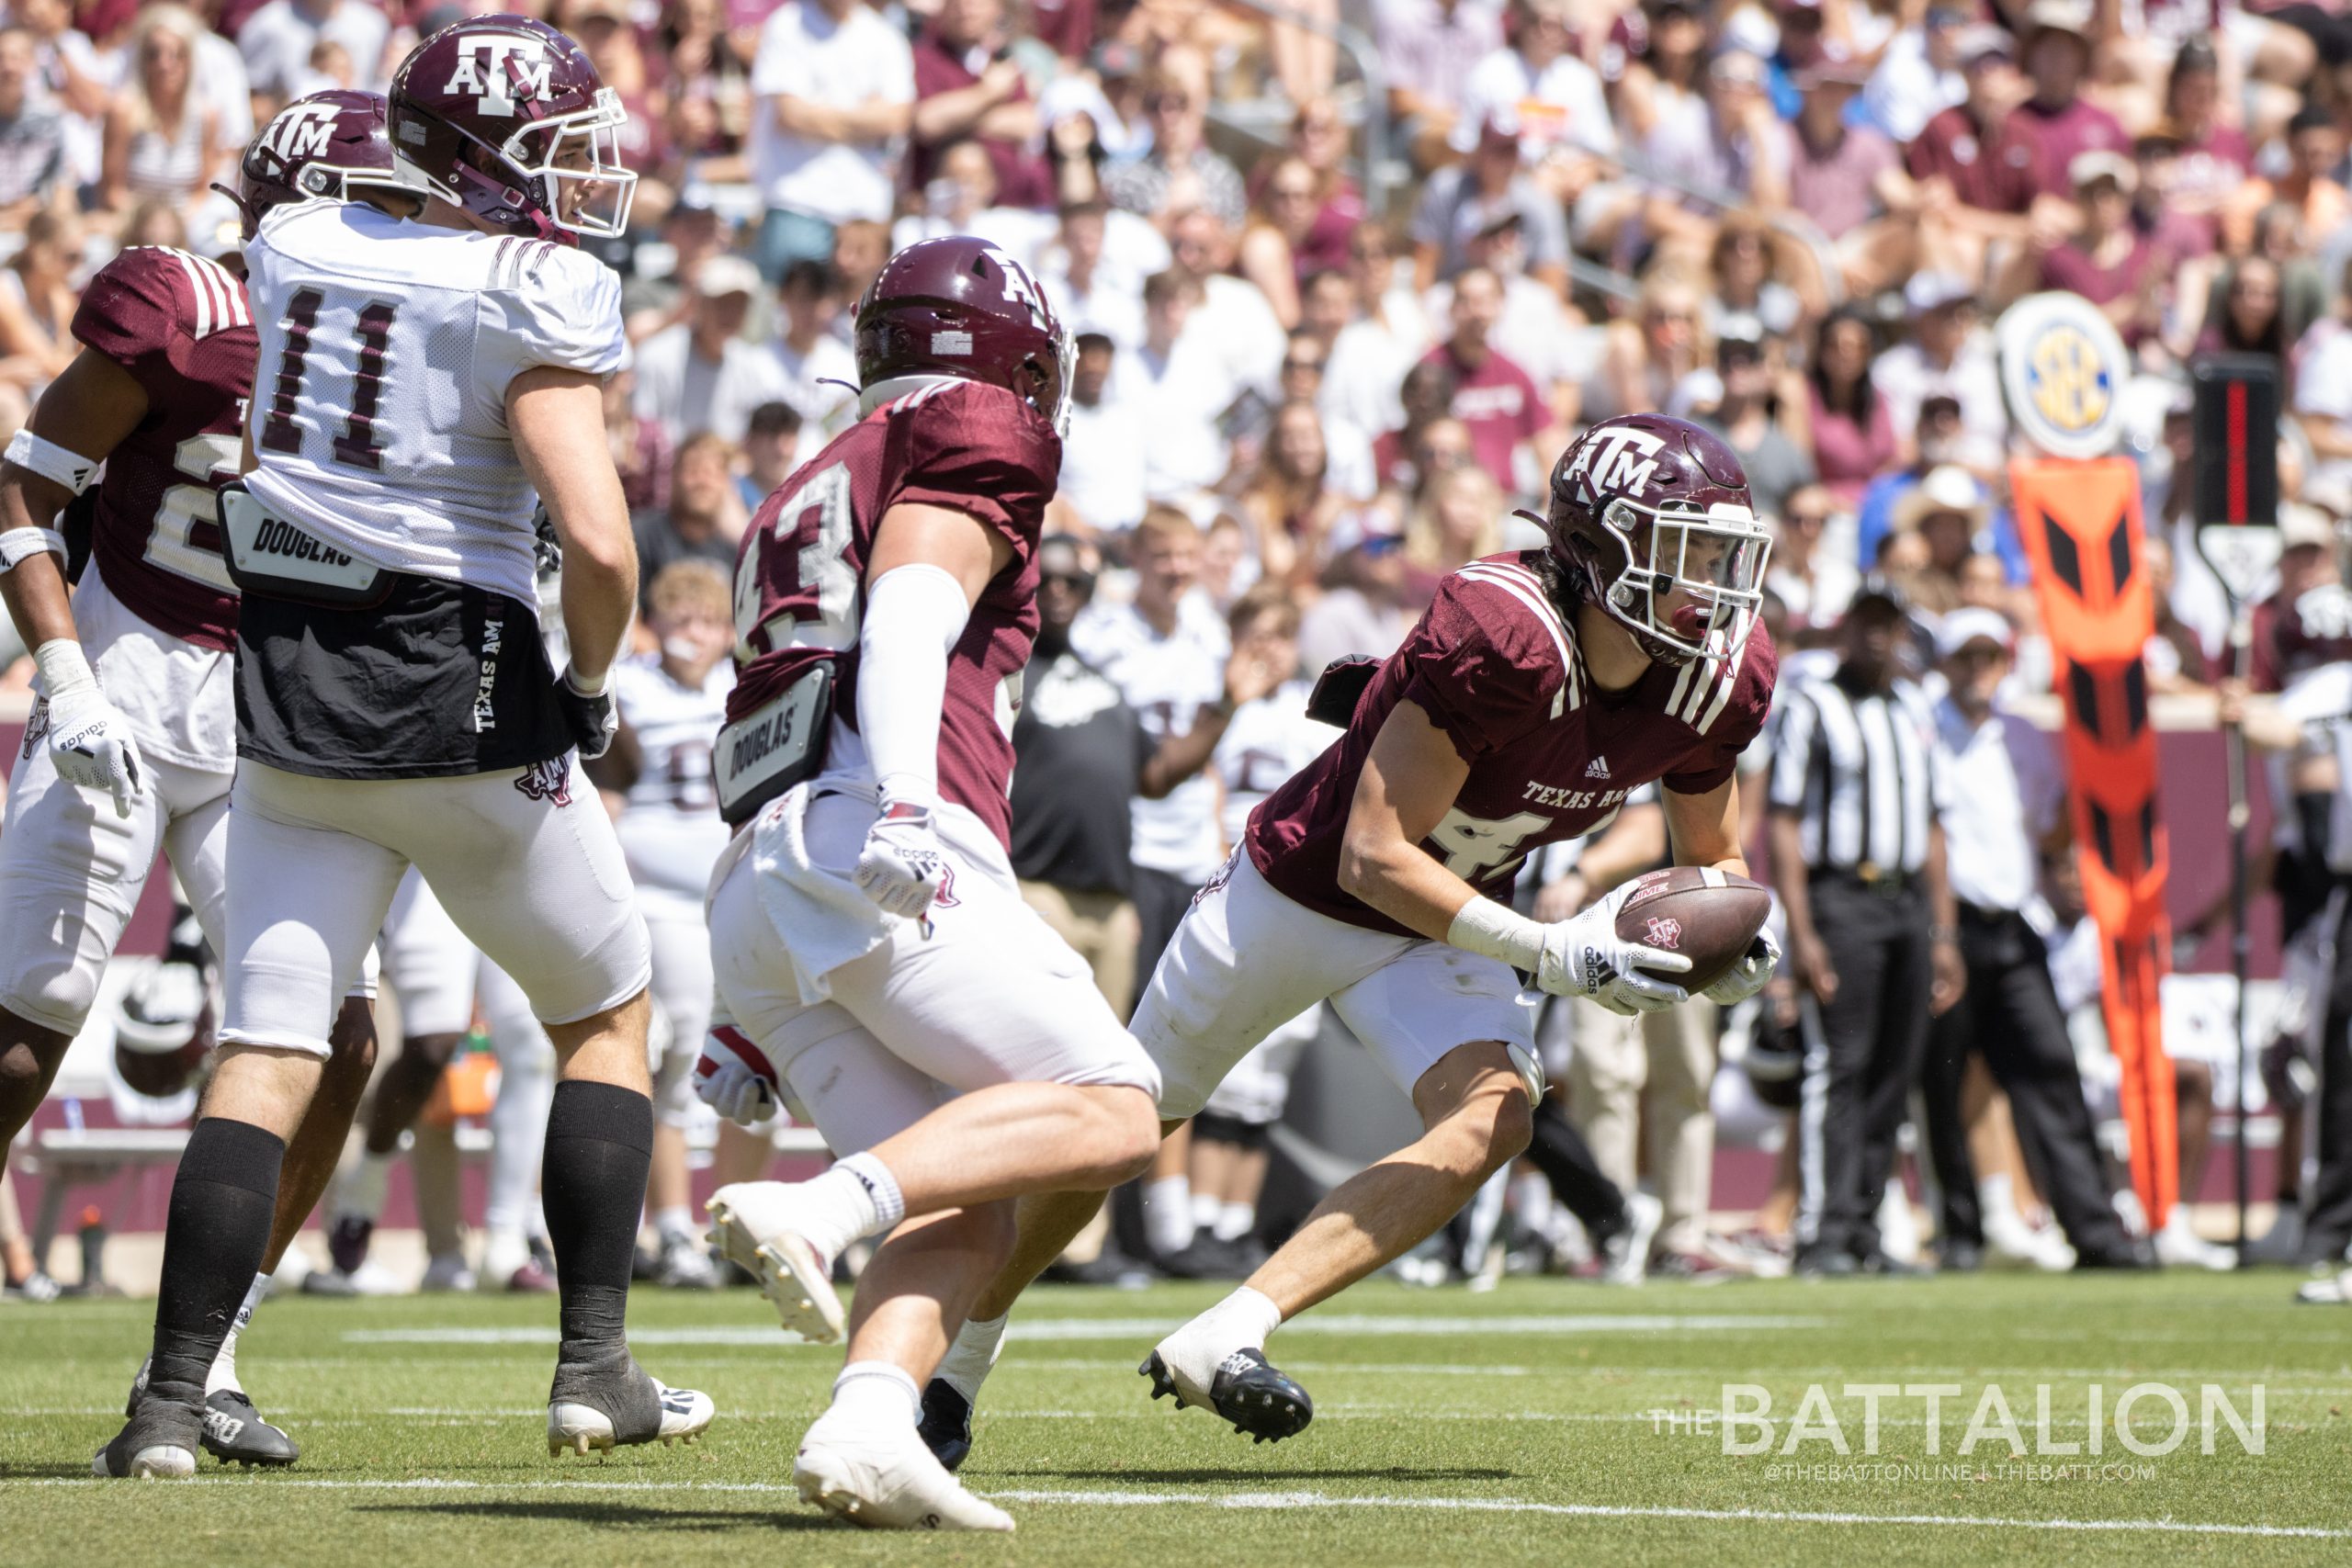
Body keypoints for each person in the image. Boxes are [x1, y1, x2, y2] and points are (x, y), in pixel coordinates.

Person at [95, 20, 714, 1478]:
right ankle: (594, 1363)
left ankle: (169, 1402)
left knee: (267, 1048)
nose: (580, 173)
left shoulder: (300, 239)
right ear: (475, 158)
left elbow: (265, 221)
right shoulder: (535, 285)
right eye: (553, 145)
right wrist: (593, 677)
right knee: (606, 1017)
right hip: (466, 679)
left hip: (291, 689)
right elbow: (603, 542)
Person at [927, 413, 1781, 1461]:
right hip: (1297, 894)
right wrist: (1549, 951)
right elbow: (1371, 854)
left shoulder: (1713, 676)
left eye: (1721, 556)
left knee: (1494, 1121)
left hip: (1454, 921)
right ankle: (962, 1353)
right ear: (1598, 549)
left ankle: (1229, 1329)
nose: (1713, 584)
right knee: (1122, 1128)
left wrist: (1730, 941)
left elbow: (1712, 856)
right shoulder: (1505, 634)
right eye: (1686, 551)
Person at [692, 236, 1162, 1531]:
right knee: (1115, 1105)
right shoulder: (972, 428)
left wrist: (749, 992)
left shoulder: (811, 476)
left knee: (960, 1188)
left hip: (771, 867)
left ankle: (871, 1424)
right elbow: (906, 616)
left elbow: (772, 710)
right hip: (879, 833)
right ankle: (820, 1205)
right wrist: (903, 801)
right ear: (1009, 358)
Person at [0, 91, 402, 1471]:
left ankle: (204, 1362)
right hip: (124, 668)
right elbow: (26, 484)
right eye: (378, 203)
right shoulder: (183, 301)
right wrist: (59, 676)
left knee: (338, 1036)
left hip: (270, 722)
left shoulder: (397, 353)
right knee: (24, 1024)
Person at [1919, 608, 2145, 1270]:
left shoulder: (2023, 735)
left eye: (1989, 657)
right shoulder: (1923, 726)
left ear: (2005, 662)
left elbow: (2050, 829)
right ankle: (1960, 1233)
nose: (1978, 670)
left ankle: (2097, 1233)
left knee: (2051, 1072)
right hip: (1948, 922)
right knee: (1945, 1080)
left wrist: (2069, 851)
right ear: (1945, 662)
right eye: (1966, 657)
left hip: (2015, 925)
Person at [1766, 576, 1963, 1276]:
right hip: (1843, 896)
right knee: (1839, 1064)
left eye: (1890, 623)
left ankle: (1865, 1228)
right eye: (1867, 621)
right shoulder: (1813, 703)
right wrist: (1803, 928)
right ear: (1847, 627)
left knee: (1894, 1069)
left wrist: (1943, 933)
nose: (1878, 636)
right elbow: (1782, 819)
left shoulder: (1914, 704)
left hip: (1907, 901)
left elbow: (1936, 824)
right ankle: (1822, 1229)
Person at [594, 559, 736, 1289]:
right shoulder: (634, 682)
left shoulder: (739, 687)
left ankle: (712, 1226)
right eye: (681, 620)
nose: (694, 636)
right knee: (673, 1051)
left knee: (726, 1059)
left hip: (727, 894)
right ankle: (674, 1226)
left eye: (708, 622)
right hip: (657, 895)